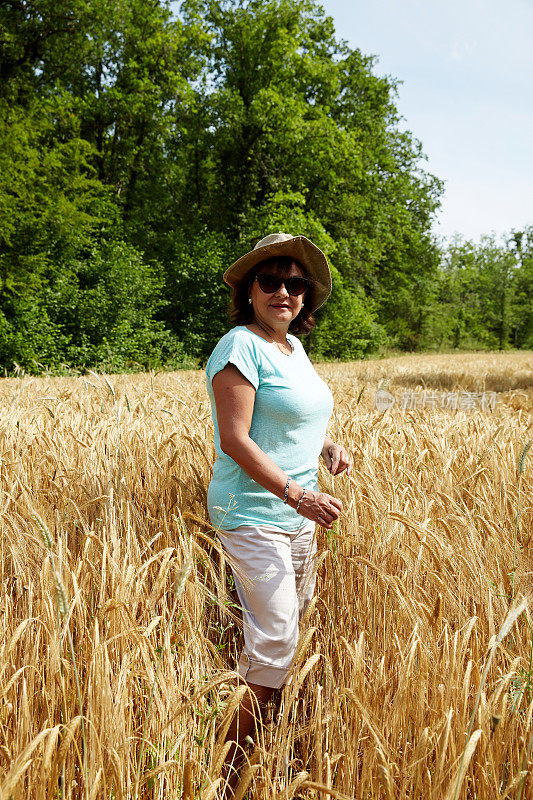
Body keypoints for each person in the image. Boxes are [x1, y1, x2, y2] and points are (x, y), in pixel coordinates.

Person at [204, 232, 351, 794]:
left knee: (283, 638)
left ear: (305, 296)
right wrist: (300, 494)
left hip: (296, 516)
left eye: (295, 283)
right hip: (254, 512)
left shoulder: (293, 348)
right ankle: (225, 772)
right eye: (271, 281)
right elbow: (237, 439)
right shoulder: (239, 345)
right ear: (249, 290)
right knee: (277, 641)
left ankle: (266, 746)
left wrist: (325, 448)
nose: (284, 291)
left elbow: (293, 418)